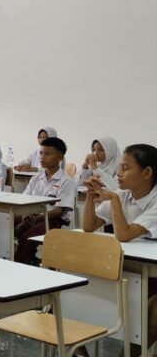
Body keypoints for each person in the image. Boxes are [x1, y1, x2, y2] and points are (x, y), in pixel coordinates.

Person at [82, 144, 157, 357]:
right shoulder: (123, 194)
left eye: (125, 168)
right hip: (125, 267)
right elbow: (89, 226)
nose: (118, 173)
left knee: (152, 312)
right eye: (119, 167)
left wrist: (113, 199)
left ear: (147, 173)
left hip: (151, 273)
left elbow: (124, 234)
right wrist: (90, 196)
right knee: (69, 297)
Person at [14, 137, 76, 264]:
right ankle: (25, 258)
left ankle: (22, 264)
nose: (42, 157)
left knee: (28, 237)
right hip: (34, 217)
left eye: (48, 154)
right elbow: (24, 200)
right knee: (9, 224)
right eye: (41, 153)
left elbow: (58, 211)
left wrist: (38, 217)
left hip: (54, 221)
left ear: (60, 157)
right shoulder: (36, 179)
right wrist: (27, 215)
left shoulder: (66, 181)